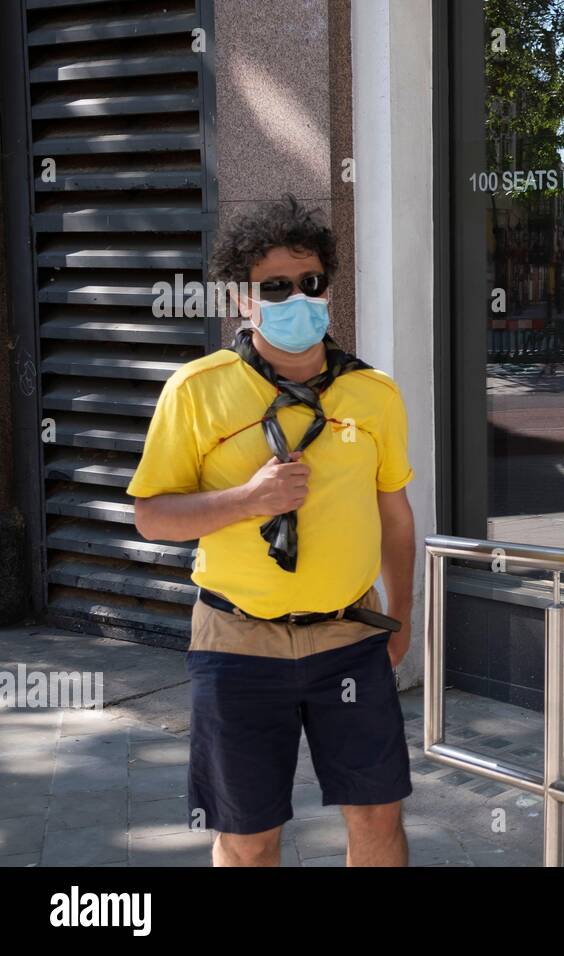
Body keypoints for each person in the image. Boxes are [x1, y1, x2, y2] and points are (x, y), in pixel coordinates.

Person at [129, 195, 417, 866]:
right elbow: (151, 514)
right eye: (276, 287)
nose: (297, 298)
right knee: (249, 836)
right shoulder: (196, 391)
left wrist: (399, 620)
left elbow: (395, 516)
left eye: (310, 282)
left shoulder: (374, 393)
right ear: (244, 299)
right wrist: (247, 499)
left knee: (377, 817)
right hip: (238, 643)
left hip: (349, 636)